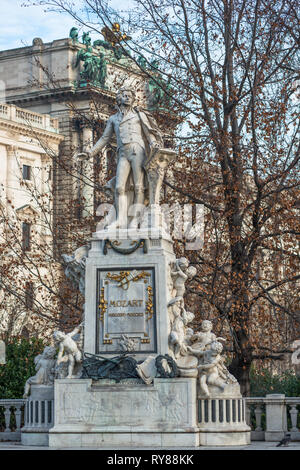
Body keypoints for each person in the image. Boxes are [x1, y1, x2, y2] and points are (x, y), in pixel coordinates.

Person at [87, 87, 163, 228]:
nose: (128, 98)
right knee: (119, 187)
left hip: (137, 151)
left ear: (133, 99)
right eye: (125, 95)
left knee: (139, 186)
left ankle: (135, 219)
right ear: (119, 99)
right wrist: (90, 153)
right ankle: (120, 220)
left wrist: (153, 143)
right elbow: (104, 138)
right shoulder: (113, 119)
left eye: (130, 96)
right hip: (122, 153)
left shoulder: (139, 115)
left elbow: (148, 132)